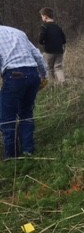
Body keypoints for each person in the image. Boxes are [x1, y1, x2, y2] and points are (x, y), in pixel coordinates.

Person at [0, 25, 48, 159]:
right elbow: (37, 55)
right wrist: (43, 75)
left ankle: (11, 156)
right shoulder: (18, 31)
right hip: (33, 74)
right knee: (26, 113)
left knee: (6, 118)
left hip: (14, 75)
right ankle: (28, 150)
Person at [38, 7, 66, 83]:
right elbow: (64, 40)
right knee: (58, 67)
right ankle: (62, 82)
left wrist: (43, 43)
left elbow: (41, 39)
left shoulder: (44, 27)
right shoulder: (58, 27)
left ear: (45, 17)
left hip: (49, 51)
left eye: (42, 16)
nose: (42, 18)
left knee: (49, 68)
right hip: (59, 50)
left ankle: (51, 85)